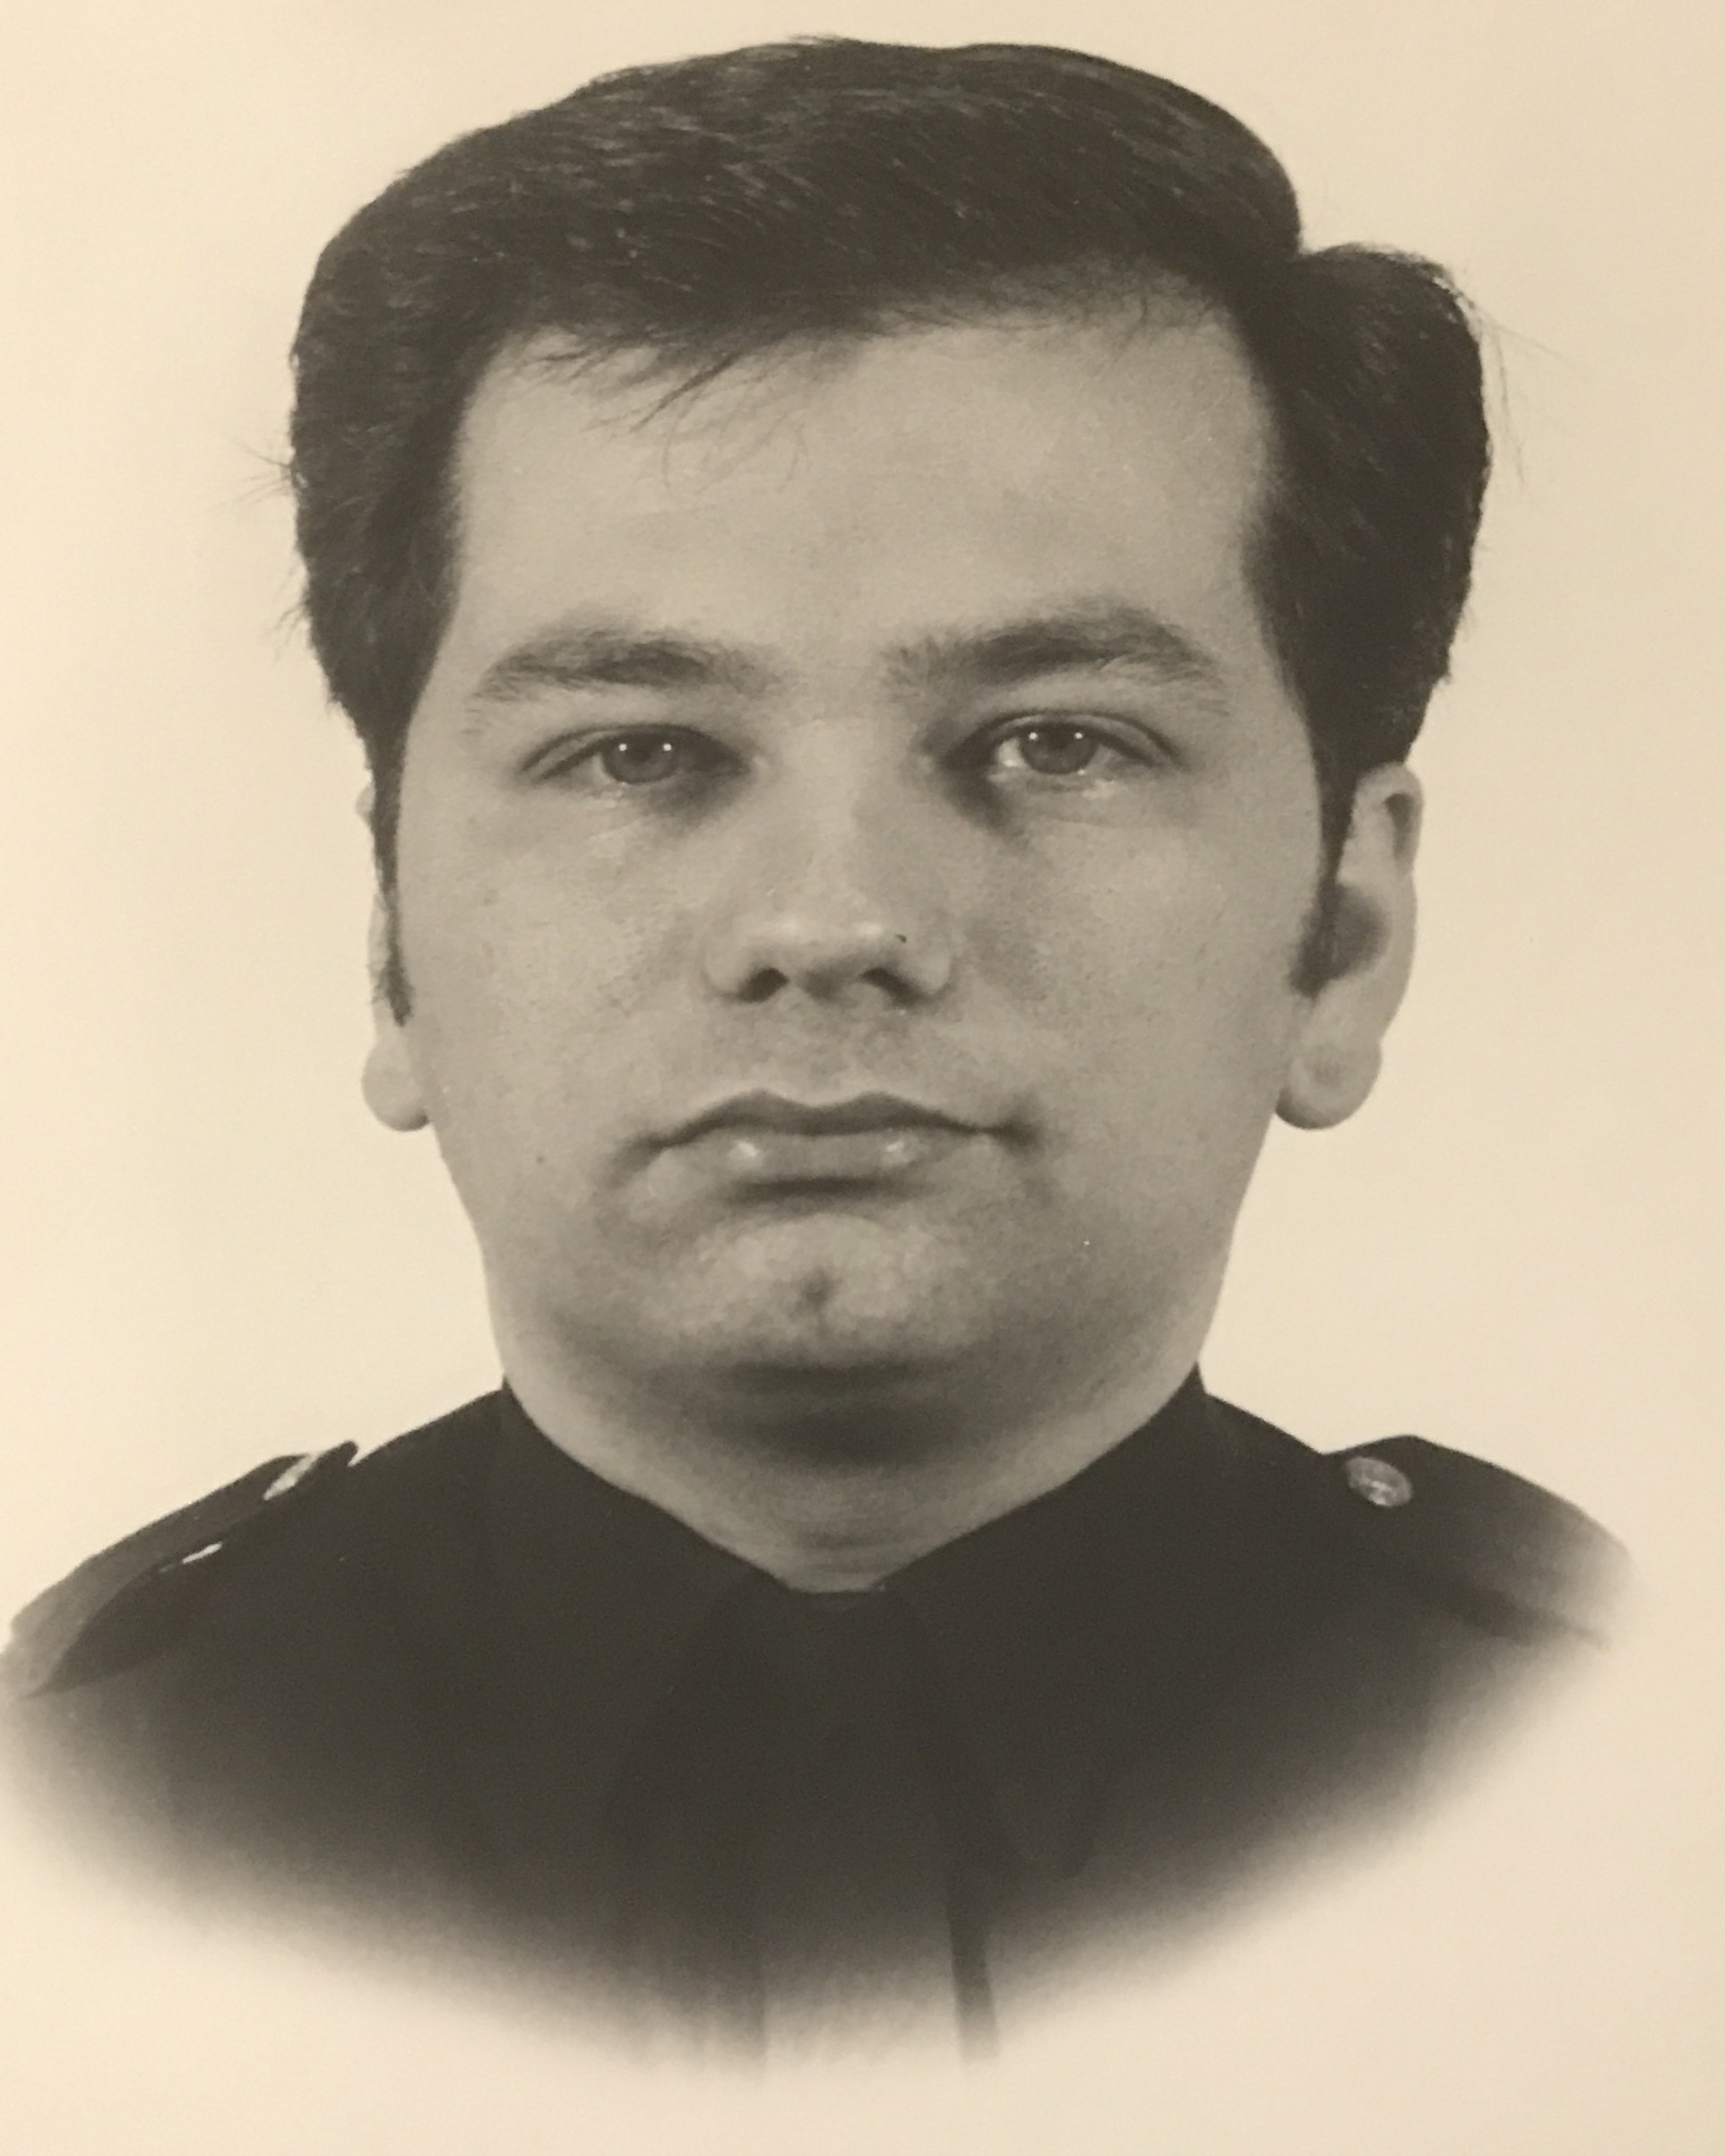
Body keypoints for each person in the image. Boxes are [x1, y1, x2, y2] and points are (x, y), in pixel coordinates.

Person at [2, 37, 1620, 2053]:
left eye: (1055, 742)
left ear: (1346, 929)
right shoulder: (62, 1814)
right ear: (389, 939)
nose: (834, 922)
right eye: (638, 753)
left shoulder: (1640, 1789)